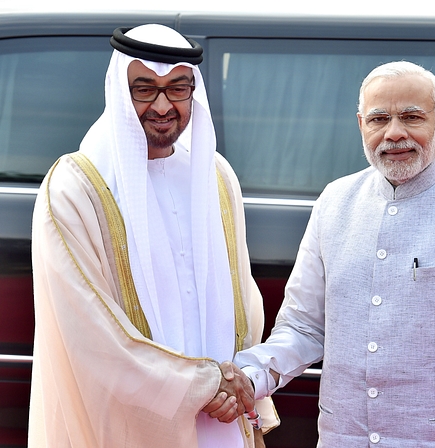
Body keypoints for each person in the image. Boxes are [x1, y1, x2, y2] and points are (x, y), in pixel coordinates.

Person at [235, 61, 435, 447]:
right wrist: (248, 376)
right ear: (361, 125)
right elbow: (304, 328)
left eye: (411, 117)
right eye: (379, 119)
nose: (394, 133)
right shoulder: (334, 204)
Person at [28, 24, 277, 447]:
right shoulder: (77, 188)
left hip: (220, 418)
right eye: (145, 89)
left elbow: (242, 298)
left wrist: (239, 381)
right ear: (120, 93)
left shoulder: (216, 175)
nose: (163, 105)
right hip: (130, 424)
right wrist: (199, 385)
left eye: (177, 88)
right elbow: (90, 332)